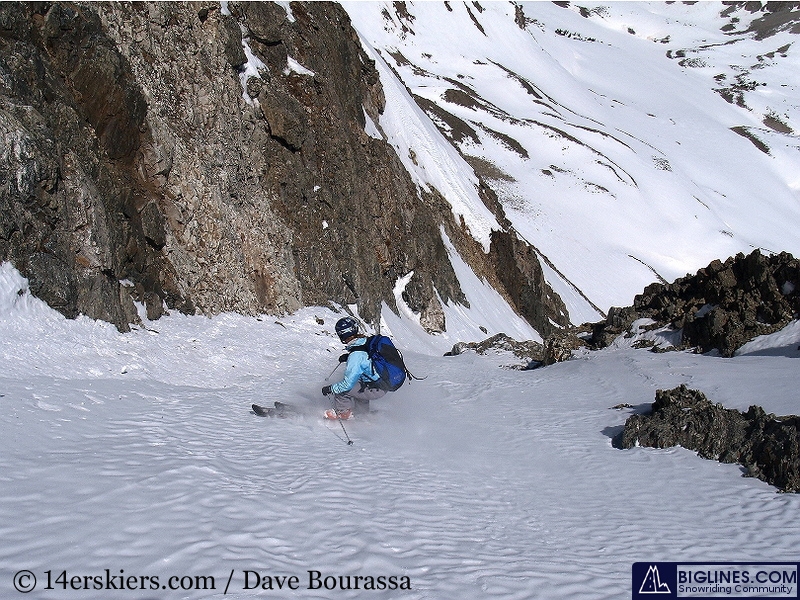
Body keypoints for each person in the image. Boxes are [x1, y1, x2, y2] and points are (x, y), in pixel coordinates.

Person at [321, 317, 387, 420]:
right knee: (359, 386)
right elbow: (366, 359)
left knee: (341, 391)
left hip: (375, 388)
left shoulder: (356, 355)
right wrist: (349, 357)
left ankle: (343, 413)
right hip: (381, 384)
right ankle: (362, 414)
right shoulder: (365, 342)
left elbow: (346, 385)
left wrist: (330, 389)